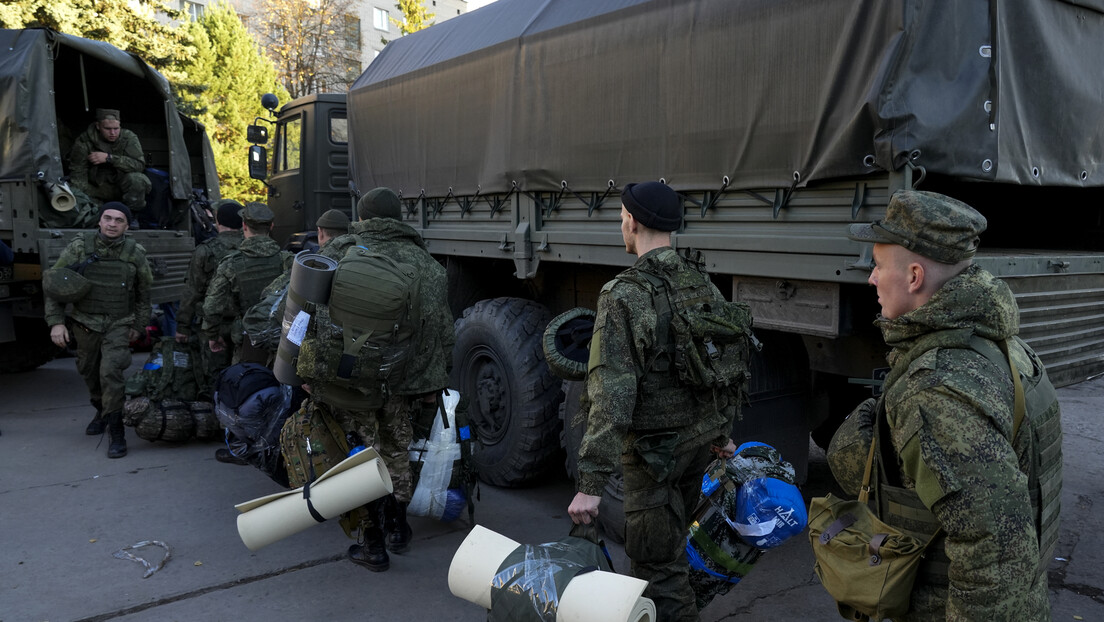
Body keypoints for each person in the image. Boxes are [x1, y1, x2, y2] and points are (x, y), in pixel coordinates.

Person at [830, 190, 1062, 620]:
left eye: (878, 266)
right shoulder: (998, 343)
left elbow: (994, 557)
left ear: (914, 277)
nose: (871, 278)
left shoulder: (938, 389)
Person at [567, 181, 739, 622]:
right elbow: (724, 365)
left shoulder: (623, 294)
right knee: (672, 548)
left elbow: (612, 394)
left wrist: (590, 485)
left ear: (633, 221)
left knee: (656, 569)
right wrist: (722, 433)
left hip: (653, 454)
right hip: (696, 444)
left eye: (621, 217)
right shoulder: (701, 282)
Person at [306, 188, 453, 572]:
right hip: (398, 382)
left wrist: (304, 371)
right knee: (395, 450)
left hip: (345, 377)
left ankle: (371, 541)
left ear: (361, 215)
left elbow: (303, 312)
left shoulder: (338, 252)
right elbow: (439, 332)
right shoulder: (427, 265)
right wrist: (428, 384)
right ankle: (398, 525)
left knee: (354, 453)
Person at [44, 202, 153, 458]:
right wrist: (56, 322)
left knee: (110, 373)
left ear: (127, 226)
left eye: (119, 220)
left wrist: (138, 325)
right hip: (85, 323)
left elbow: (144, 293)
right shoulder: (80, 247)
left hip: (118, 323)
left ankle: (117, 434)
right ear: (99, 221)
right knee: (89, 372)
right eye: (108, 218)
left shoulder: (134, 253)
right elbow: (55, 284)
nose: (112, 224)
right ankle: (101, 409)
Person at [201, 202, 290, 366]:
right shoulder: (287, 260)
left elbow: (212, 307)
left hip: (247, 340)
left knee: (247, 385)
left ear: (244, 226)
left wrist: (212, 335)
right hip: (281, 342)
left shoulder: (231, 264)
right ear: (271, 226)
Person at [174, 200, 245, 395]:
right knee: (243, 375)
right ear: (243, 223)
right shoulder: (250, 248)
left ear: (218, 223)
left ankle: (215, 417)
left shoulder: (206, 250)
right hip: (246, 324)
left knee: (214, 374)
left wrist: (183, 326)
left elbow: (192, 290)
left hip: (212, 326)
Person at [68, 109, 151, 215]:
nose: (113, 133)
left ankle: (131, 215)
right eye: (107, 129)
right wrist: (84, 199)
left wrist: (109, 158)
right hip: (95, 188)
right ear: (98, 126)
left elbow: (139, 165)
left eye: (116, 128)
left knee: (138, 179)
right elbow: (78, 173)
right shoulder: (84, 142)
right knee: (72, 189)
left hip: (122, 187)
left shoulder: (128, 138)